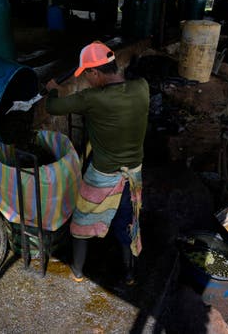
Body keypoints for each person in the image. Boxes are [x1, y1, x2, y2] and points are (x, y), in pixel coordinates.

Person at [45, 41, 150, 287]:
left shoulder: (93, 98)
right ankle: (129, 274)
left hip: (103, 174)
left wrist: (53, 89)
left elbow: (53, 106)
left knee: (82, 220)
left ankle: (78, 270)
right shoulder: (142, 88)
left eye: (87, 75)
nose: (88, 81)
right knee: (127, 220)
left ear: (94, 72)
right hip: (133, 174)